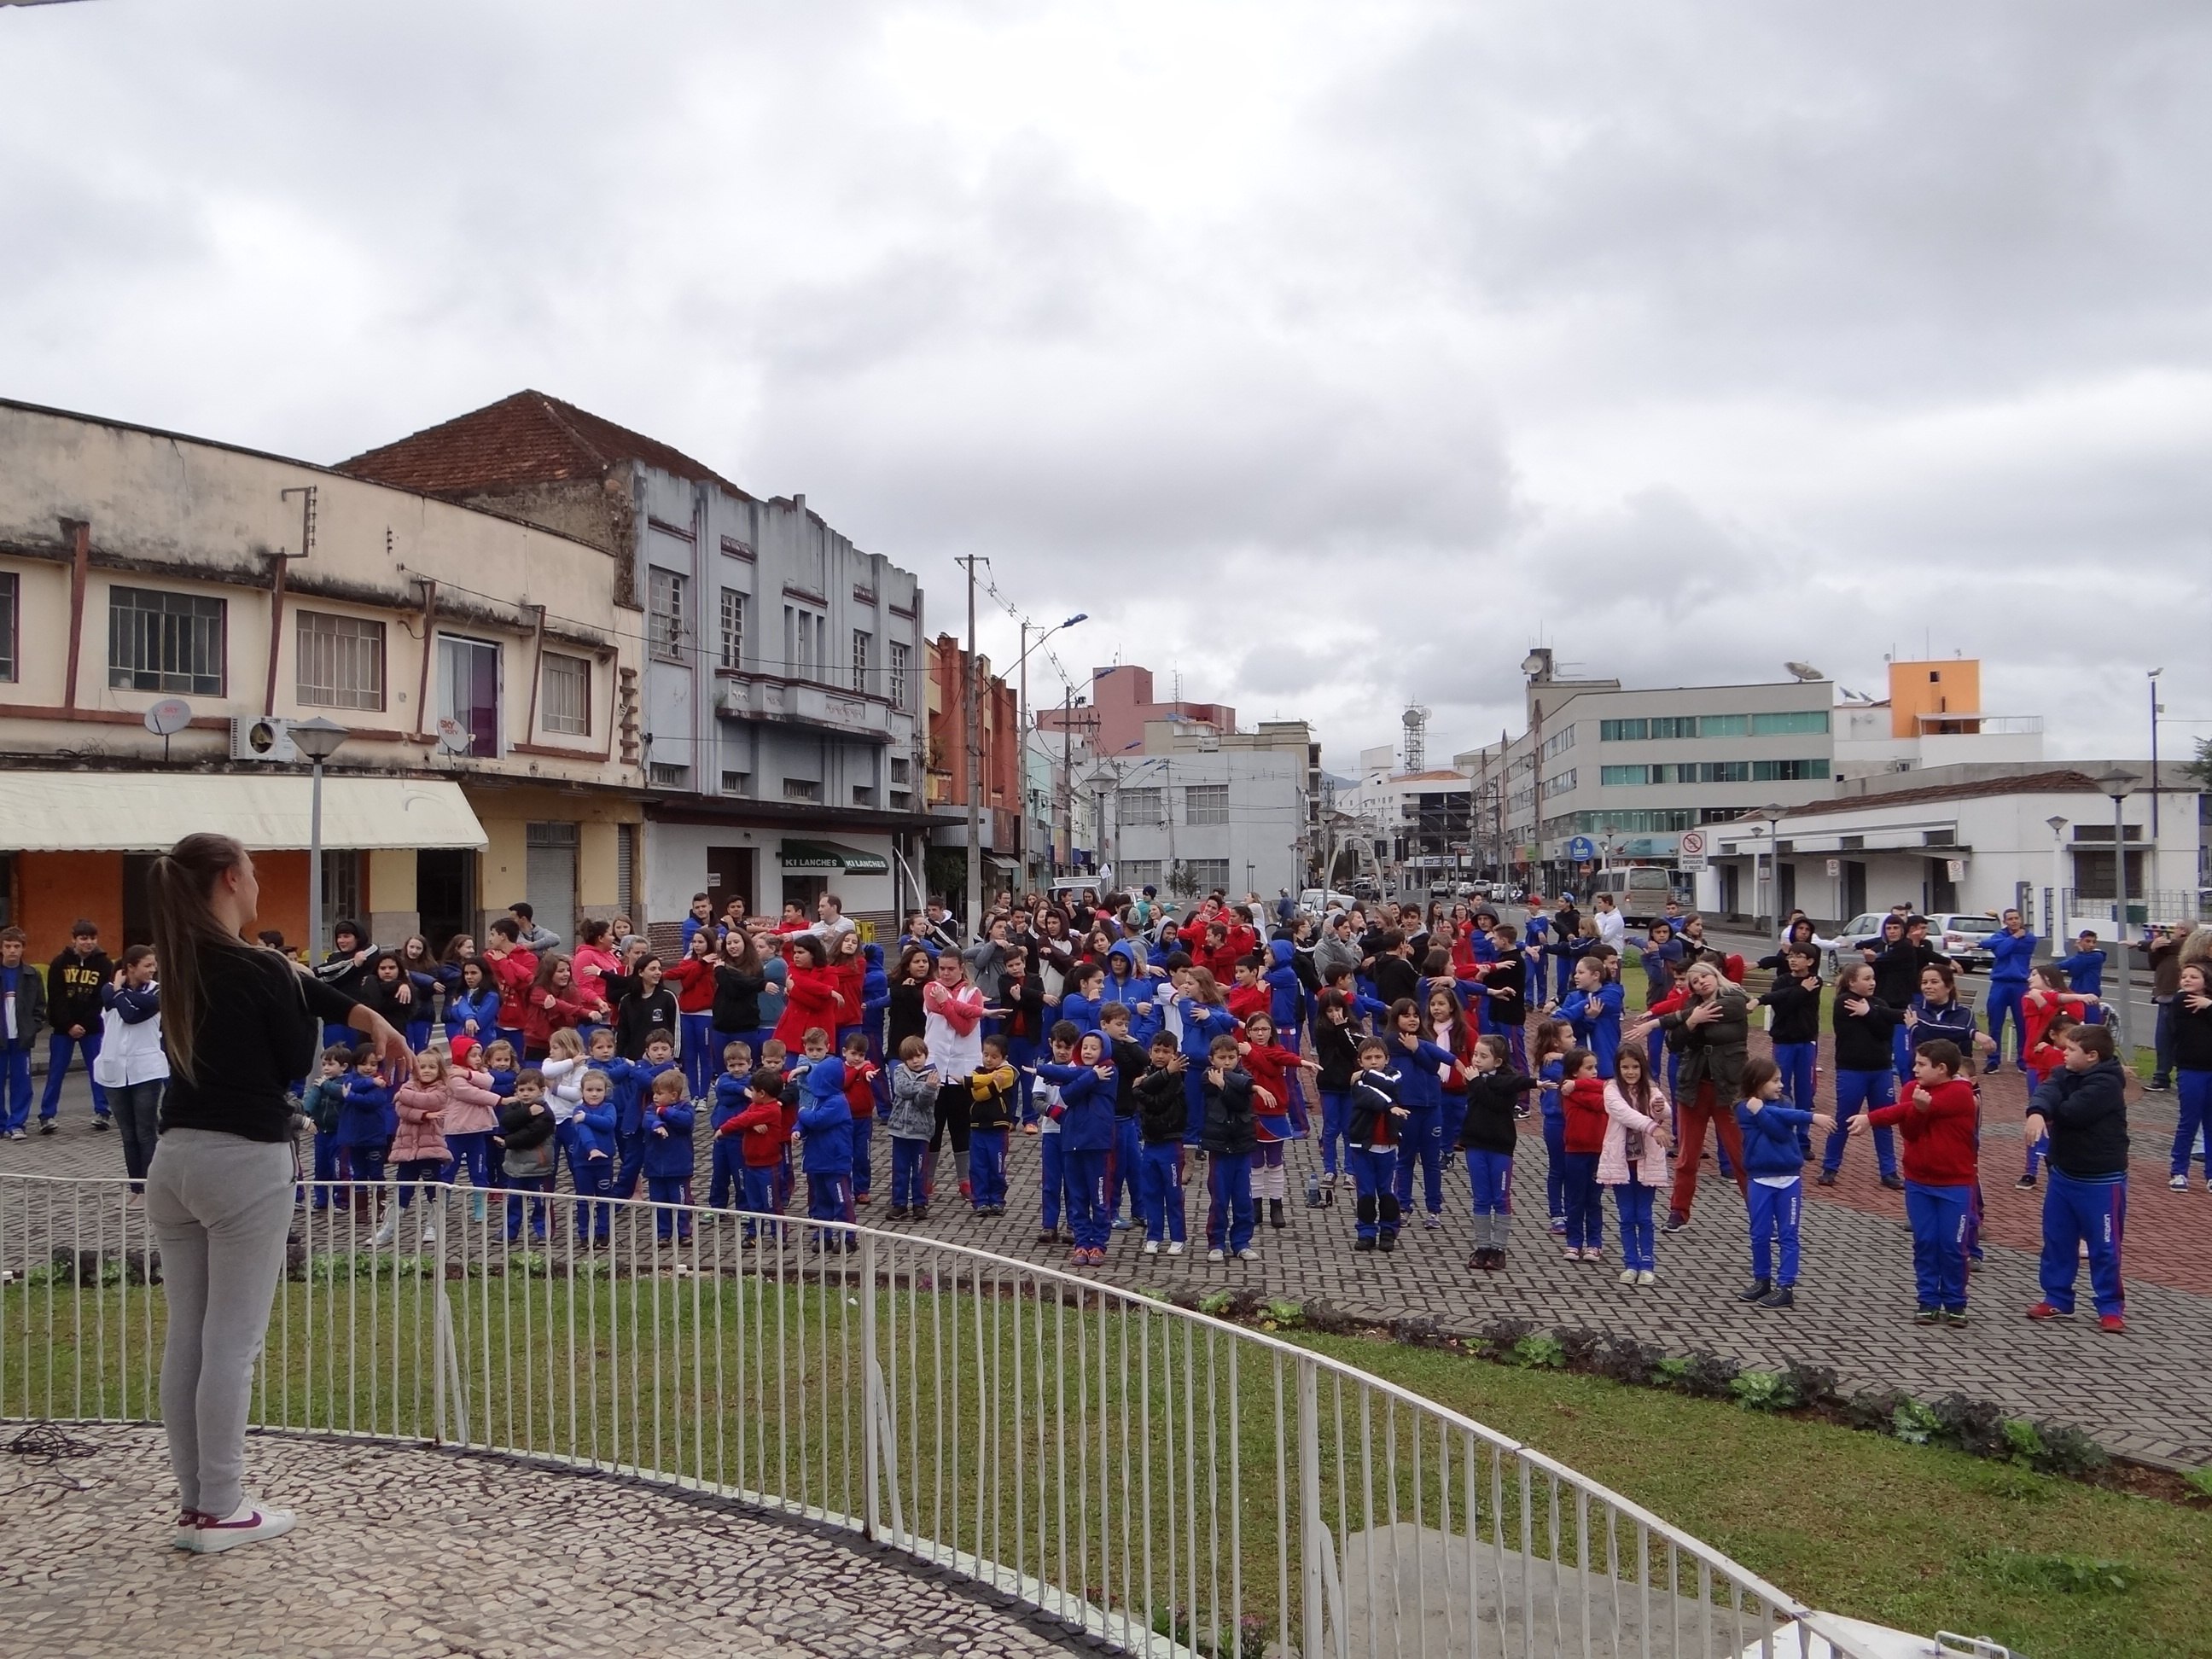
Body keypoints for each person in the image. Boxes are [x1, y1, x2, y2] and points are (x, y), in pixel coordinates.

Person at [144, 832, 405, 1551]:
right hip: (244, 1162)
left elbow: (307, 988)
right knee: (232, 1344)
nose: (259, 883)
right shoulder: (256, 966)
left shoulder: (183, 961)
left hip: (175, 1159)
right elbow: (295, 1054)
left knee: (190, 1338)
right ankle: (223, 1505)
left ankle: (198, 1502)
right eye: (253, 873)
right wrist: (325, 1007)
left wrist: (367, 1013)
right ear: (231, 879)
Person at [1853, 1038, 1979, 1324]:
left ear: (1943, 1068)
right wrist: (1919, 1111)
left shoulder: (1961, 1092)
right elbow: (1909, 1131)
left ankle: (1956, 1303)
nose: (1915, 1069)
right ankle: (1927, 1301)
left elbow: (1908, 1111)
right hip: (1918, 1182)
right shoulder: (1912, 1089)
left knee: (1951, 1244)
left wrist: (1871, 1118)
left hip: (1955, 1185)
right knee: (1925, 1242)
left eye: (1922, 1064)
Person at [2024, 1023, 2130, 1332]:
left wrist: (2048, 1110)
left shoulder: (2107, 1084)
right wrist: (2036, 1110)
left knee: (2105, 1246)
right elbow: (2046, 1089)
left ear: (2093, 1056)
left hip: (2101, 1179)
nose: (2063, 1054)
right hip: (2063, 1174)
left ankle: (2110, 1307)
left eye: (2071, 1050)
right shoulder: (2064, 1072)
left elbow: (2073, 1112)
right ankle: (2057, 1297)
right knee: (2057, 1240)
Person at [1642, 961, 1749, 1232]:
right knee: (1687, 1156)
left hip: (1728, 1088)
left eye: (1704, 976)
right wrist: (1690, 1021)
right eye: (1694, 981)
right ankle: (1678, 1212)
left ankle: (1760, 1213)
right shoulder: (1690, 1007)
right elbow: (1674, 1043)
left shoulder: (1734, 999)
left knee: (1741, 1155)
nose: (1700, 982)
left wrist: (1672, 1021)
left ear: (1715, 976)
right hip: (1694, 1086)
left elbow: (1706, 1017)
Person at [1734, 1055, 1833, 1311]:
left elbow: (1780, 1125)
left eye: (1780, 1080)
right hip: (1760, 1179)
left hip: (1789, 1180)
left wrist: (1807, 1118)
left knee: (1789, 1234)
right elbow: (1775, 1129)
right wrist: (1808, 1118)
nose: (1780, 1085)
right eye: (1774, 1081)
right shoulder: (1744, 1107)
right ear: (1757, 1083)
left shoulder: (1784, 1103)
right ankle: (1762, 1280)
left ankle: (1786, 1286)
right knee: (1760, 1234)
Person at [389, 1048, 498, 1247]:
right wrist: (421, 1114)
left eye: (432, 1067)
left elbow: (433, 1101)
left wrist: (470, 1073)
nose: (427, 1070)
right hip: (413, 1147)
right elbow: (400, 1110)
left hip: (442, 1142)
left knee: (459, 1178)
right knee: (403, 1187)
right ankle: (389, 1227)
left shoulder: (447, 1084)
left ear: (440, 1070)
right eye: (422, 1067)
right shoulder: (411, 1087)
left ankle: (437, 1223)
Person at [1817, 961, 1903, 1190]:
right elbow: (1880, 1021)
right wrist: (1874, 1015)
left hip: (1880, 1070)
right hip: (1852, 1070)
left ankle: (1889, 1170)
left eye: (1873, 977)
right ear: (1852, 981)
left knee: (1882, 1120)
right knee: (1845, 1117)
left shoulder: (1879, 1004)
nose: (1872, 982)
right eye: (1866, 978)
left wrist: (1871, 1012)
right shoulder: (1843, 1002)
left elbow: (1885, 1031)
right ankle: (1830, 1166)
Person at [1456, 1033, 1534, 1272]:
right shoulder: (1475, 1079)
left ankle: (1499, 1248)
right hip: (1477, 1145)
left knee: (1500, 1198)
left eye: (1483, 1056)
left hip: (1500, 1147)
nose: (1476, 1060)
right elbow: (1479, 1098)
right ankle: (1482, 1246)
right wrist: (1476, 1081)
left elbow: (1495, 1102)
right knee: (1481, 1198)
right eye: (1475, 1055)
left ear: (1498, 1061)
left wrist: (1476, 1082)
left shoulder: (1505, 1083)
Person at [97, 945, 168, 1196]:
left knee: (146, 1132)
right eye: (147, 965)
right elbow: (123, 1006)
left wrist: (120, 994)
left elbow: (130, 1015)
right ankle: (136, 1188)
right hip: (114, 1068)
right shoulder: (108, 989)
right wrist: (118, 993)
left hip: (145, 1070)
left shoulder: (158, 992)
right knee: (128, 1134)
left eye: (154, 965)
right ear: (131, 967)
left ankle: (151, 1188)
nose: (153, 970)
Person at [1042, 1030, 1117, 1265]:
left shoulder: (1110, 1071)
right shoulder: (1084, 1073)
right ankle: (1082, 1244)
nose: (1088, 1052)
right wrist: (1087, 1076)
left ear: (1103, 1050)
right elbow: (1067, 1094)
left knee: (1099, 1198)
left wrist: (1088, 1076)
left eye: (1094, 1048)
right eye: (1085, 1047)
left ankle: (1099, 1244)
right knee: (1077, 1198)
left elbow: (1073, 1086)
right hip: (1072, 1143)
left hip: (1097, 1144)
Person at [1598, 1044, 1669, 1287]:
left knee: (1645, 1216)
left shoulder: (1650, 1087)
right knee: (1627, 1216)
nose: (1630, 1072)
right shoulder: (1611, 1089)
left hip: (1646, 1159)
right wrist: (1652, 1125)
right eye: (1625, 1067)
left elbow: (1664, 1109)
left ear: (1643, 1067)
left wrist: (1659, 1110)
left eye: (1635, 1067)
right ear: (1618, 1068)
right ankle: (1630, 1263)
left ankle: (1647, 1263)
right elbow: (1623, 1113)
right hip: (1621, 1161)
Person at [39, 919, 114, 1130]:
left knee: (98, 1070)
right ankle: (47, 1115)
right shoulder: (59, 963)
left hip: (92, 1029)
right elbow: (56, 997)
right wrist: (69, 1024)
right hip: (64, 1030)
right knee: (56, 1071)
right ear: (74, 939)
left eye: (92, 938)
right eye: (83, 938)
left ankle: (102, 1112)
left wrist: (85, 1023)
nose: (88, 942)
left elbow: (102, 998)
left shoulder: (104, 965)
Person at [923, 954, 984, 1205]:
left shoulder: (974, 992)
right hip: (935, 1067)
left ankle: (964, 1180)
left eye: (951, 969)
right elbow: (949, 1012)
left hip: (963, 1068)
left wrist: (948, 1005)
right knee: (933, 1127)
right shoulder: (930, 988)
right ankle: (926, 1180)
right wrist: (957, 1008)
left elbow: (965, 1028)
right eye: (942, 968)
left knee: (961, 1126)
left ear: (962, 968)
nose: (945, 973)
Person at [1756, 945, 1824, 1155]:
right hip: (1784, 1040)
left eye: (1799, 957)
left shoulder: (1815, 981)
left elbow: (1793, 1001)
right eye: (1791, 956)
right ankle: (1783, 1134)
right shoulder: (1781, 981)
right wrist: (1801, 990)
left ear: (1810, 961)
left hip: (1805, 1041)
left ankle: (1803, 1140)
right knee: (1781, 1088)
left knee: (1804, 1090)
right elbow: (1783, 1008)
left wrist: (1801, 992)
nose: (1793, 960)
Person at [1198, 1033, 1257, 1262]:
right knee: (1219, 1199)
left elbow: (1242, 1103)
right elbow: (1226, 1091)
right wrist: (1224, 1086)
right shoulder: (1207, 1077)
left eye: (1232, 1057)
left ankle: (1242, 1242)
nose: (1227, 1062)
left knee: (1243, 1198)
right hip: (1220, 1148)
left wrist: (1225, 1086)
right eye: (1222, 1058)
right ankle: (1216, 1242)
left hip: (1242, 1146)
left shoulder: (1246, 1077)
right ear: (1212, 1059)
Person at [1133, 1032, 1189, 1254]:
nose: (1160, 1055)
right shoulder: (1146, 1074)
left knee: (1173, 1193)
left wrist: (1139, 1090)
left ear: (1174, 1055)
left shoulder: (1177, 1076)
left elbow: (1158, 1102)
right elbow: (1145, 1101)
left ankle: (1178, 1237)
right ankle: (1154, 1235)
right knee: (1151, 1192)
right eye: (1157, 1051)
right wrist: (1141, 1088)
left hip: (1171, 1143)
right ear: (1149, 1053)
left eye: (1166, 1052)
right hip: (1150, 1143)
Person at [795, 1048, 854, 1249]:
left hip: (835, 1162)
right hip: (816, 1161)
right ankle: (823, 1236)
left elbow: (816, 1120)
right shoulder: (817, 1101)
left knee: (841, 1200)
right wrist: (798, 1130)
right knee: (821, 1202)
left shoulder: (837, 1102)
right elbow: (806, 1121)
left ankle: (847, 1237)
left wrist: (802, 1113)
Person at [723, 1067, 791, 1242]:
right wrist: (751, 1125)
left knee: (771, 1203)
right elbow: (747, 1117)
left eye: (752, 1090)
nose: (750, 1093)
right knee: (753, 1203)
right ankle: (753, 1234)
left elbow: (744, 1119)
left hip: (767, 1166)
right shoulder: (755, 1106)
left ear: (761, 1093)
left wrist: (724, 1129)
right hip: (751, 1163)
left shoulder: (771, 1109)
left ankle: (779, 1235)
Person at [1556, 1049, 1610, 1261]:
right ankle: (1574, 1242)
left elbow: (1608, 1089)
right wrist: (1577, 1087)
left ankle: (1594, 1243)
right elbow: (1602, 1098)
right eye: (1589, 1068)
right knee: (1575, 1199)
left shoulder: (1576, 1087)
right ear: (1574, 1072)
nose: (1595, 1072)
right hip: (1575, 1152)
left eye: (1595, 1067)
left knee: (1594, 1199)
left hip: (1598, 1152)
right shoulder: (1567, 1090)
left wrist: (1578, 1084)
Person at [497, 1069, 557, 1243]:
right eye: (521, 1090)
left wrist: (507, 1142)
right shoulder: (515, 1107)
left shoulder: (546, 1113)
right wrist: (528, 1113)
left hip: (539, 1168)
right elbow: (507, 1122)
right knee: (514, 1203)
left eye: (530, 1090)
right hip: (515, 1166)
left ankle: (543, 1232)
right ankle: (509, 1232)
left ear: (541, 1090)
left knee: (541, 1204)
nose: (525, 1094)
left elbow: (531, 1135)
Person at [2167, 962, 2212, 1191]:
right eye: (2184, 976)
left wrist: (2209, 1004)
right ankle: (2179, 1171)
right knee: (2189, 1121)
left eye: (2193, 977)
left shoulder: (2207, 1001)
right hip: (2191, 1069)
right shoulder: (2181, 1000)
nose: (2187, 980)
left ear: (2206, 981)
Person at [885, 1037, 938, 1220]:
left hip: (921, 1132)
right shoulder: (899, 1071)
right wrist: (925, 1087)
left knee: (919, 1170)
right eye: (910, 1058)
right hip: (899, 1130)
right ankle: (899, 1204)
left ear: (925, 1055)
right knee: (900, 1170)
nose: (915, 1061)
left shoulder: (932, 1074)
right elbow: (902, 1089)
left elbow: (924, 1101)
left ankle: (919, 1203)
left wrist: (928, 1089)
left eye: (919, 1056)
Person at [641, 1068, 696, 1244]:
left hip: (678, 1167)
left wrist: (664, 1113)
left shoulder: (685, 1108)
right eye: (654, 1093)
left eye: (659, 1094)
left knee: (680, 1202)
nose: (655, 1097)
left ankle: (684, 1233)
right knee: (659, 1203)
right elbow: (647, 1120)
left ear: (673, 1096)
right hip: (655, 1167)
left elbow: (685, 1122)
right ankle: (663, 1233)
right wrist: (657, 1123)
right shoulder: (651, 1109)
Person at [0, 925, 44, 1139]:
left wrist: (32, 1027)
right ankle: (1, 1124)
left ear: (23, 948)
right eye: (8, 946)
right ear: (1, 948)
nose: (12, 951)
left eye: (16, 946)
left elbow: (40, 1006)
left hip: (21, 1039)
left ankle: (17, 1123)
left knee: (22, 1084)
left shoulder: (31, 975)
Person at [1983, 909, 2037, 1074]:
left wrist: (2005, 942)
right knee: (1995, 1023)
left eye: (2016, 918)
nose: (2014, 921)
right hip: (2000, 982)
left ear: (2021, 919)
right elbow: (1997, 949)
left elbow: (1999, 949)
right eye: (2010, 919)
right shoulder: (2001, 935)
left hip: (2020, 984)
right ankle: (1993, 1060)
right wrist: (2014, 938)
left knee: (2023, 1023)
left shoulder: (2030, 938)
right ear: (2005, 921)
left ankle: (2023, 1060)